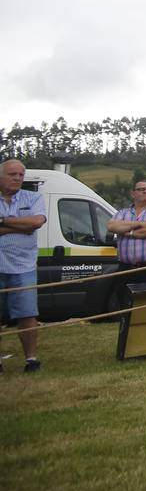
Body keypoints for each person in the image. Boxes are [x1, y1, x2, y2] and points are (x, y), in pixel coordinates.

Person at [0, 159, 46, 372]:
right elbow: (27, 225)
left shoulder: (34, 197)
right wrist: (21, 224)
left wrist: (3, 223)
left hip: (23, 266)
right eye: (12, 174)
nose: (18, 178)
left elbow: (36, 223)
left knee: (27, 314)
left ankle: (31, 359)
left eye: (21, 175)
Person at [106, 180, 146, 309]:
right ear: (133, 193)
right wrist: (140, 224)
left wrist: (129, 232)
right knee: (126, 305)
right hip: (126, 269)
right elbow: (111, 225)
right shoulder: (122, 212)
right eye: (141, 189)